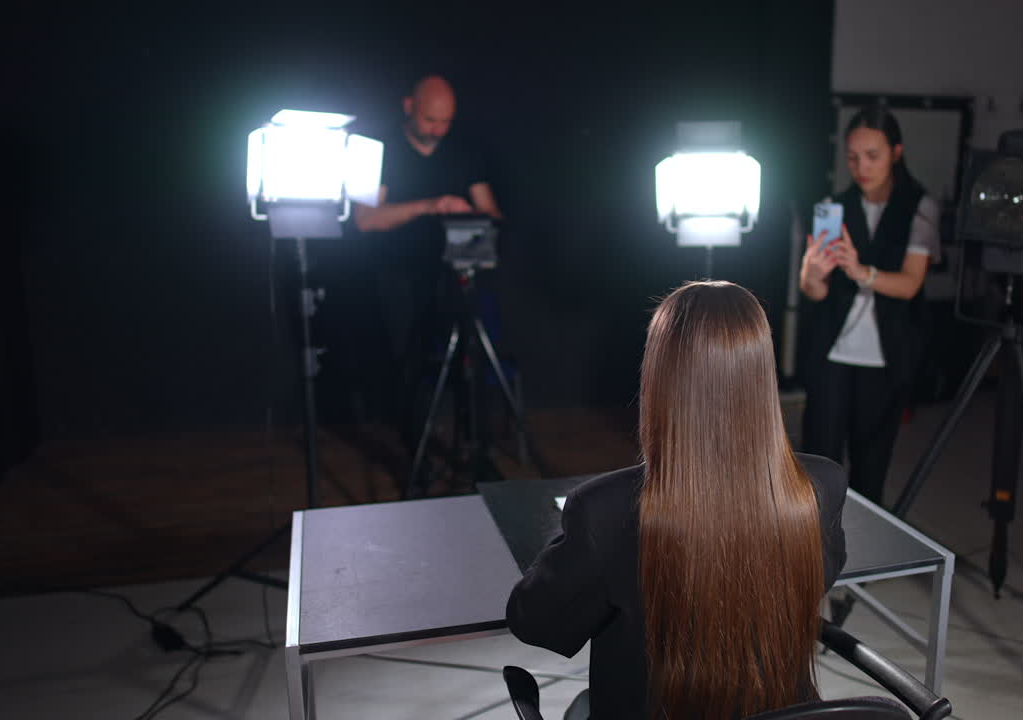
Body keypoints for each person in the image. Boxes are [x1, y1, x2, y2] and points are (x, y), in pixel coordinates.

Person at [507, 281, 849, 720]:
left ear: (659, 376)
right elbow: (814, 580)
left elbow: (534, 622)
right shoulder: (821, 485)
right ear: (760, 371)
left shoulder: (604, 511)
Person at [354, 74, 503, 481]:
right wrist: (430, 205)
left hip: (454, 274)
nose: (437, 129)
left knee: (469, 362)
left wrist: (466, 214)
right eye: (429, 120)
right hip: (397, 275)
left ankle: (476, 454)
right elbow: (365, 219)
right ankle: (416, 457)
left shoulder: (463, 153)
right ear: (408, 107)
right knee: (409, 365)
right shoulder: (381, 150)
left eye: (445, 122)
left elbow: (491, 213)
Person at [799, 105, 940, 506]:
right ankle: (815, 549)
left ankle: (863, 554)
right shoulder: (834, 206)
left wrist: (862, 272)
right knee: (819, 460)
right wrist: (811, 274)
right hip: (831, 353)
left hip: (887, 356)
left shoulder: (919, 207)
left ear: (896, 152)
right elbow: (816, 291)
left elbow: (911, 284)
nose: (861, 167)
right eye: (852, 157)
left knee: (871, 464)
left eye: (872, 156)